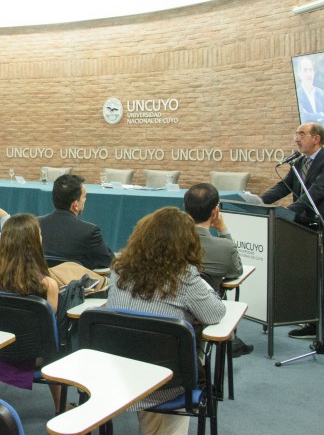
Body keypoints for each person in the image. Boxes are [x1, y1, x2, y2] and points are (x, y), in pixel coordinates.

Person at [106, 206, 226, 435]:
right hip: (168, 383)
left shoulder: (118, 270)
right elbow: (215, 313)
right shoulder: (184, 276)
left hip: (122, 374)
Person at [262, 122, 324, 347]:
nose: (296, 138)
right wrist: (257, 201)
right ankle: (313, 322)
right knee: (309, 280)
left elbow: (316, 192)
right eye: (296, 134)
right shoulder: (299, 162)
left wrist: (291, 210)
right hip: (304, 230)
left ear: (316, 138)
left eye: (301, 134)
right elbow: (283, 187)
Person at [0, 213, 62, 410]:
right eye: (40, 234)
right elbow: (49, 329)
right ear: (34, 242)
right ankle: (60, 406)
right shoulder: (47, 284)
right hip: (32, 357)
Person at [183, 182, 253, 357]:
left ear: (185, 209)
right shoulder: (224, 247)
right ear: (215, 212)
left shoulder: (168, 243)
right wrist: (223, 230)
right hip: (207, 312)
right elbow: (236, 271)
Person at [38, 174, 112, 269]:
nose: (85, 200)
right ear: (75, 205)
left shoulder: (35, 224)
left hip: (41, 281)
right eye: (84, 197)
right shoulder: (89, 231)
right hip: (74, 282)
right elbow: (109, 261)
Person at [296, 57, 324, 130]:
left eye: (310, 70)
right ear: (299, 73)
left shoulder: (321, 93)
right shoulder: (297, 95)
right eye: (305, 70)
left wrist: (311, 117)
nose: (309, 74)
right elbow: (304, 119)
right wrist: (320, 115)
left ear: (313, 73)